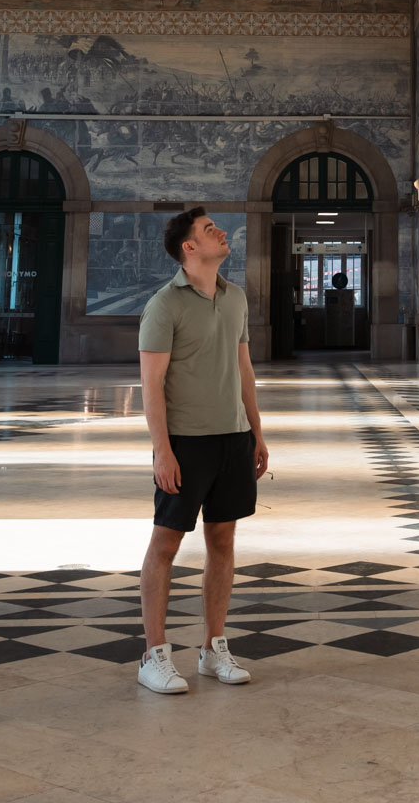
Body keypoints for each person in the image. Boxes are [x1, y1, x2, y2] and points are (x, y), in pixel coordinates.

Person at [136, 206, 269, 695]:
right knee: (166, 545)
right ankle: (153, 654)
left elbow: (245, 371)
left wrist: (255, 431)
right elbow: (151, 384)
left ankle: (213, 649)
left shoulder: (234, 298)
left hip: (231, 439)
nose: (220, 233)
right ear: (189, 248)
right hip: (185, 444)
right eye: (209, 230)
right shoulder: (164, 305)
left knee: (223, 543)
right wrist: (161, 450)